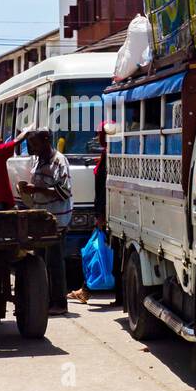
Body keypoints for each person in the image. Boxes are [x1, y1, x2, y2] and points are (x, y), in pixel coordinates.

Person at [18, 127, 73, 316]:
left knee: (55, 262)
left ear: (46, 140)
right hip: (41, 219)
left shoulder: (59, 161)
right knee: (39, 261)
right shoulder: (38, 160)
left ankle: (60, 303)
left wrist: (37, 190)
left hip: (56, 220)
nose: (32, 148)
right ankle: (44, 300)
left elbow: (64, 191)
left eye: (35, 144)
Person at [67, 123, 110, 305]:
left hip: (105, 211)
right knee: (102, 253)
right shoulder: (107, 153)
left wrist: (100, 215)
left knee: (95, 254)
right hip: (106, 210)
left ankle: (86, 290)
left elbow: (103, 189)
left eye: (99, 134)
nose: (97, 137)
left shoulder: (108, 155)